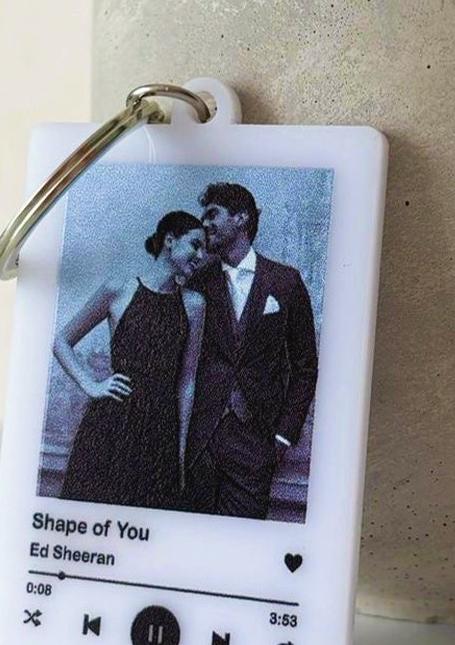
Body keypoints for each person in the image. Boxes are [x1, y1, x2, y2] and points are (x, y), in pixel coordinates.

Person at [53, 210, 208, 509]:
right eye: (195, 245)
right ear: (170, 241)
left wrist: (180, 448)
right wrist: (92, 385)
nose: (201, 256)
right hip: (110, 424)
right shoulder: (118, 290)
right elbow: (62, 342)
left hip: (159, 431)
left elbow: (187, 380)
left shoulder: (194, 305)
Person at [185, 182, 319, 519]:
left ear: (241, 218)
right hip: (200, 442)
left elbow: (305, 368)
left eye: (212, 215)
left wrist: (283, 436)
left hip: (255, 445)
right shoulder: (197, 282)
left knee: (241, 541)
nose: (205, 224)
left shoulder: (285, 282)